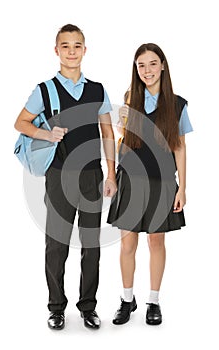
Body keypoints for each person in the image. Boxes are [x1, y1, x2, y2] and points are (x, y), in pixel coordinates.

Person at [14, 24, 117, 330]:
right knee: (56, 244)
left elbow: (108, 132)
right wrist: (47, 133)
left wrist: (110, 173)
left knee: (91, 244)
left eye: (77, 46)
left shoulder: (98, 89)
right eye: (65, 46)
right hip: (58, 176)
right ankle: (56, 307)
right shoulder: (45, 89)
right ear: (56, 50)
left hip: (91, 177)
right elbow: (20, 122)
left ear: (85, 50)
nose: (71, 51)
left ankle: (88, 307)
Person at [107, 43, 193, 326]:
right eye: (141, 65)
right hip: (131, 180)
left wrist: (182, 187)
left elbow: (179, 147)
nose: (147, 70)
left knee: (156, 241)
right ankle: (126, 299)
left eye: (153, 64)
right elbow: (124, 140)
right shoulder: (129, 100)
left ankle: (153, 301)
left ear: (163, 66)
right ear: (136, 69)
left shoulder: (177, 104)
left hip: (162, 182)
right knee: (127, 243)